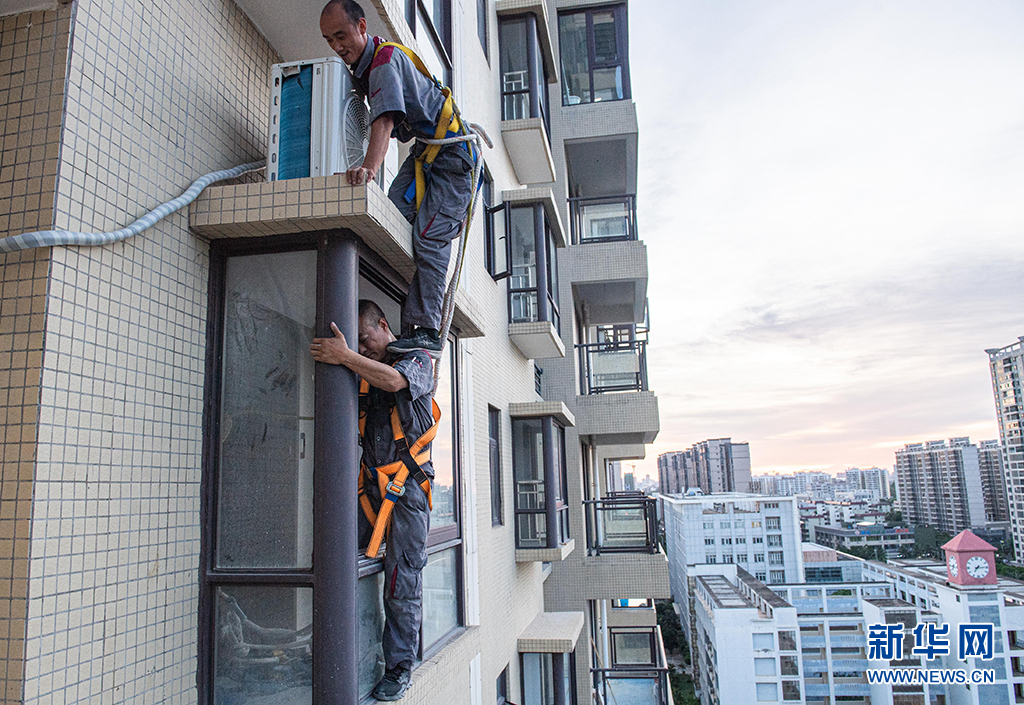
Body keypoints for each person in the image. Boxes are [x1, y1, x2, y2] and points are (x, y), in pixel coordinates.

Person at [320, 0, 474, 359]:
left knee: (429, 237)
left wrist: (368, 169)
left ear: (362, 27)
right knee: (394, 212)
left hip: (453, 161)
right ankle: (403, 306)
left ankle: (428, 331)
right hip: (428, 154)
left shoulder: (384, 61)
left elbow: (385, 122)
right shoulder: (366, 67)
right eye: (329, 40)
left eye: (341, 36)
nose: (337, 46)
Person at [310, 300, 435, 701]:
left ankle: (399, 667)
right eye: (358, 345)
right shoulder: (365, 372)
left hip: (408, 489)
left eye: (365, 340)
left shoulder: (418, 360)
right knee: (338, 560)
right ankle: (342, 647)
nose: (362, 349)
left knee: (402, 578)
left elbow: (396, 382)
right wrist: (347, 359)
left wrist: (345, 356)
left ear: (384, 325)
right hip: (370, 486)